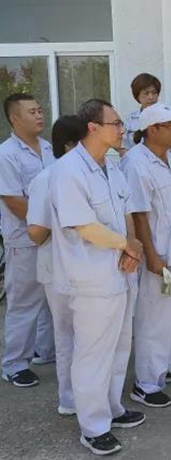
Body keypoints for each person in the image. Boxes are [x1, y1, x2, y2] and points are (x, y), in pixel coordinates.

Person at [49, 99, 145, 456]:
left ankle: (113, 408)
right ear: (93, 127)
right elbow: (84, 226)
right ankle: (93, 426)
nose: (122, 130)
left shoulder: (112, 167)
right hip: (91, 278)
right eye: (115, 123)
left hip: (121, 272)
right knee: (92, 353)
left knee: (119, 347)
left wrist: (131, 247)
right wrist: (126, 245)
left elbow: (127, 212)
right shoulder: (68, 170)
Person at [120, 104, 171, 410]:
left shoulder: (170, 160)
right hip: (157, 257)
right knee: (154, 319)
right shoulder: (136, 164)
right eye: (170, 126)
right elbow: (139, 215)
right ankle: (147, 383)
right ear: (152, 129)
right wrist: (152, 256)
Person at [26, 115, 84, 414]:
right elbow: (36, 233)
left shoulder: (90, 174)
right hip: (57, 267)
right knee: (67, 336)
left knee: (87, 337)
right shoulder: (46, 179)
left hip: (86, 268)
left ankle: (90, 394)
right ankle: (70, 399)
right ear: (71, 145)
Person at [0, 93, 55, 388]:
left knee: (50, 299)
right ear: (14, 118)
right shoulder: (6, 154)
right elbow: (13, 200)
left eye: (40, 110)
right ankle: (14, 365)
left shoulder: (47, 148)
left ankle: (44, 351)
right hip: (24, 239)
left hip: (51, 236)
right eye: (32, 112)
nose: (39, 115)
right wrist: (45, 225)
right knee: (23, 303)